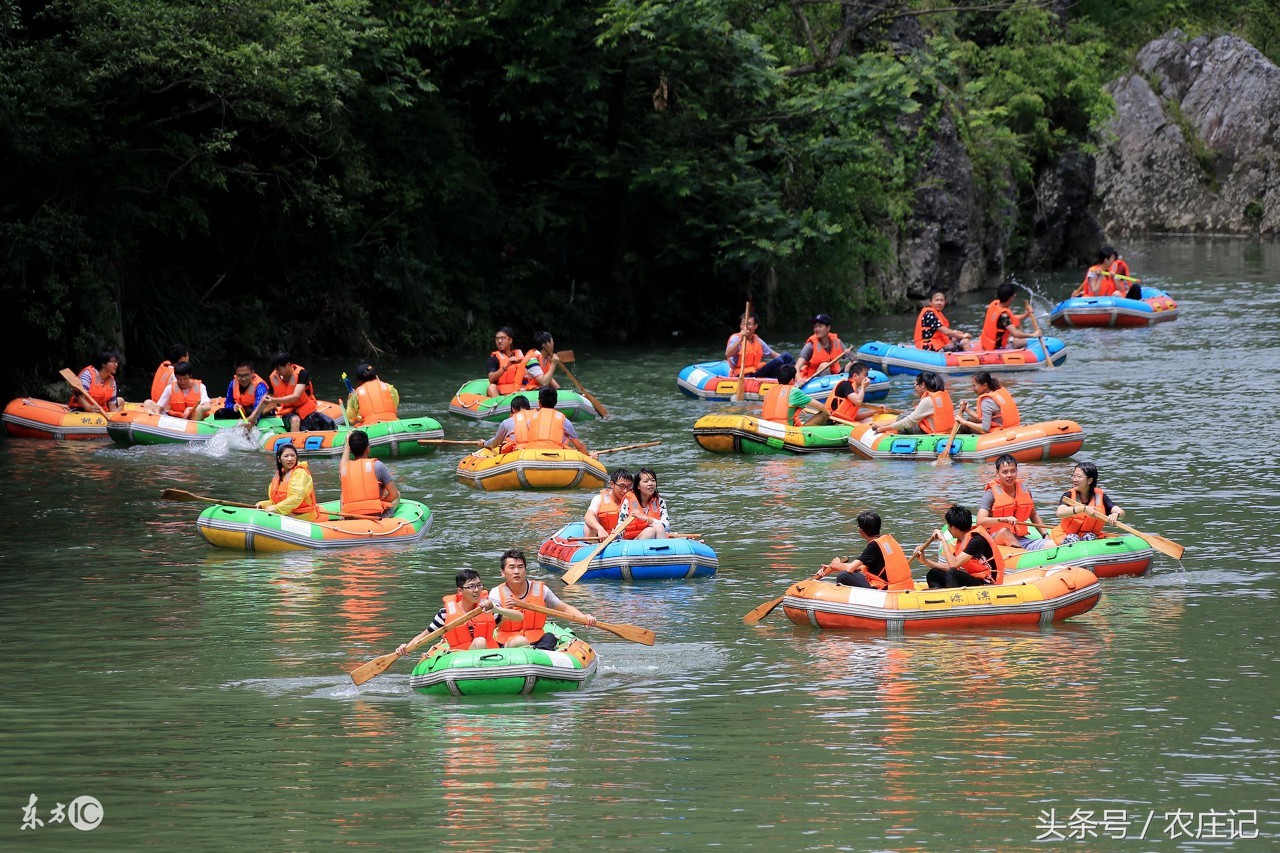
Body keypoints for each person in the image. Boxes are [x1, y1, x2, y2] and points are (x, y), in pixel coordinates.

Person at [489, 549, 598, 650]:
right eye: (512, 567)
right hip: (509, 642)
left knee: (550, 637)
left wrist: (583, 617)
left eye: (520, 567)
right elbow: (493, 625)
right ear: (503, 572)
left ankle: (541, 659)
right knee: (517, 642)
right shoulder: (496, 593)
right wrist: (504, 613)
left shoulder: (541, 589)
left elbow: (564, 608)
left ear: (525, 570)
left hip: (537, 640)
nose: (516, 571)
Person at [396, 570, 499, 656]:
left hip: (489, 656)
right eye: (471, 586)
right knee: (479, 641)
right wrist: (406, 647)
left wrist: (498, 609)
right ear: (460, 591)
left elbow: (509, 622)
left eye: (479, 585)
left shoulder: (489, 609)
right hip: (459, 658)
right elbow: (425, 636)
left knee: (481, 641)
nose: (477, 590)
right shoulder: (444, 614)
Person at [814, 511, 915, 590]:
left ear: (861, 531)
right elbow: (863, 567)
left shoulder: (874, 546)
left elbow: (850, 569)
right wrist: (833, 568)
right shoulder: (886, 541)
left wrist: (835, 564)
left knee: (843, 576)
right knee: (847, 573)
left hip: (885, 588)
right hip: (899, 586)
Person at [917, 505, 1006, 588]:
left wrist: (942, 539)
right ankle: (940, 597)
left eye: (948, 525)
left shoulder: (977, 540)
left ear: (954, 528)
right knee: (933, 573)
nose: (947, 529)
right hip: (974, 577)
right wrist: (925, 561)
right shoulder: (961, 539)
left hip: (987, 582)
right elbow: (950, 565)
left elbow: (953, 565)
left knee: (952, 573)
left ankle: (953, 598)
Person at [976, 454, 1051, 551]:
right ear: (997, 473)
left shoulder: (1025, 490)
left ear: (1017, 471)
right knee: (1005, 532)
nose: (1009, 475)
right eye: (1005, 472)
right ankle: (1023, 554)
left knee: (1051, 544)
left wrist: (1045, 535)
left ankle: (1026, 551)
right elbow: (980, 521)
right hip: (996, 538)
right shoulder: (990, 494)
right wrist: (1004, 519)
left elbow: (1033, 514)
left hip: (1021, 539)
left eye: (1013, 471)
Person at [1048, 461, 1124, 544]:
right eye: (1073, 476)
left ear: (1089, 480)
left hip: (1088, 536)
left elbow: (1121, 512)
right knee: (1073, 538)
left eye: (1078, 476)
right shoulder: (1068, 495)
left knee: (1089, 536)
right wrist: (1083, 509)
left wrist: (1116, 514)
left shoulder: (1101, 497)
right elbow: (1060, 512)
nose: (1074, 479)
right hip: (1066, 535)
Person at [504, 387, 589, 455]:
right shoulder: (564, 421)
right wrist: (589, 457)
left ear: (539, 402)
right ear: (556, 402)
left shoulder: (530, 419)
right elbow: (579, 446)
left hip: (532, 456)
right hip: (556, 455)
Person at [264, 353, 335, 432]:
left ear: (288, 364)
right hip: (288, 414)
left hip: (305, 411)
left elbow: (295, 396)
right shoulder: (273, 378)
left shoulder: (302, 374)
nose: (277, 371)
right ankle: (294, 442)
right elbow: (267, 400)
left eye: (279, 368)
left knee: (329, 423)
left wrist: (273, 400)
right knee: (295, 420)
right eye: (275, 369)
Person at [255, 443, 325, 521]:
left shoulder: (300, 473)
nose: (290, 459)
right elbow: (275, 501)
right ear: (279, 459)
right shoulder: (279, 475)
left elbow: (296, 497)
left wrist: (276, 508)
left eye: (292, 455)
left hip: (303, 515)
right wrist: (263, 504)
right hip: (287, 512)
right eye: (286, 456)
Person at [340, 429, 400, 518]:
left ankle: (342, 518)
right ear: (368, 449)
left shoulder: (344, 469)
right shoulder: (378, 466)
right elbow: (393, 494)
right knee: (398, 494)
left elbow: (343, 463)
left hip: (352, 515)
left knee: (342, 494)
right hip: (375, 514)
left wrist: (347, 446)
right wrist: (378, 503)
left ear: (351, 450)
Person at [873, 371, 954, 435]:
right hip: (946, 432)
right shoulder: (943, 396)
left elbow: (908, 422)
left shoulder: (928, 401)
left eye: (915, 384)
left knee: (903, 417)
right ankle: (884, 425)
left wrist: (883, 428)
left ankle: (895, 436)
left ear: (922, 385)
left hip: (933, 434)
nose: (915, 388)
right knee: (908, 414)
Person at [725, 311, 793, 379]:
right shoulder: (736, 338)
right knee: (778, 361)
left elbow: (773, 354)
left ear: (756, 326)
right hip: (743, 375)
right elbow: (728, 354)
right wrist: (741, 340)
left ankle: (796, 374)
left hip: (756, 372)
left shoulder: (757, 339)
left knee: (786, 356)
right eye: (743, 323)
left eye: (749, 324)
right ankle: (776, 380)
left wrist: (786, 361)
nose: (745, 327)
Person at [956, 371, 1021, 434]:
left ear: (984, 386)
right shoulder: (996, 392)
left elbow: (985, 428)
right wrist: (967, 410)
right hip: (1011, 426)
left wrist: (964, 422)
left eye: (974, 386)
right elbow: (983, 419)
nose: (973, 389)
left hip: (1001, 431)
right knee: (970, 420)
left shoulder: (986, 401)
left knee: (965, 426)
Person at [760, 364, 825, 427]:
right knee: (823, 414)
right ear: (792, 380)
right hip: (785, 430)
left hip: (767, 427)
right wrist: (828, 414)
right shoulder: (794, 391)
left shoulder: (769, 391)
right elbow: (820, 406)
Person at [584, 468, 641, 539]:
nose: (625, 490)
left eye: (629, 486)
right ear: (612, 484)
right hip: (604, 539)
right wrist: (600, 529)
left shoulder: (635, 500)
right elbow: (588, 516)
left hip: (627, 540)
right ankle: (591, 546)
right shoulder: (599, 498)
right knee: (589, 525)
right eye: (621, 486)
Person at [979, 283, 1033, 351]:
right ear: (1011, 298)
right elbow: (1015, 333)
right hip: (995, 348)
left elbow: (1010, 320)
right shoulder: (1003, 316)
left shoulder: (995, 304)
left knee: (1017, 339)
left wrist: (1026, 315)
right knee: (1023, 342)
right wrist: (1033, 334)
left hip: (985, 343)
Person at [795, 314, 845, 383]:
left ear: (828, 328)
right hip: (814, 381)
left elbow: (852, 359)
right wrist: (799, 379)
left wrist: (851, 356)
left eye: (820, 326)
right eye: (815, 327)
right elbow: (796, 367)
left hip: (835, 376)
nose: (817, 329)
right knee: (824, 365)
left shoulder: (837, 342)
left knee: (852, 364)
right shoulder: (810, 346)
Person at [629, 467, 670, 540]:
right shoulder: (628, 502)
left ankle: (661, 550)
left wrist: (647, 519)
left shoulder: (660, 501)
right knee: (650, 531)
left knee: (659, 527)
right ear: (638, 486)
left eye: (653, 480)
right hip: (633, 541)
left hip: (655, 537)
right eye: (646, 481)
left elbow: (666, 526)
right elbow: (621, 524)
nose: (650, 484)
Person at [486, 326, 526, 397]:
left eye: (502, 338)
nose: (499, 341)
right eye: (497, 338)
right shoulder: (493, 359)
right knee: (491, 388)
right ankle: (500, 405)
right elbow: (491, 378)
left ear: (510, 340)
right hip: (501, 392)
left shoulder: (519, 356)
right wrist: (506, 367)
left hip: (518, 390)